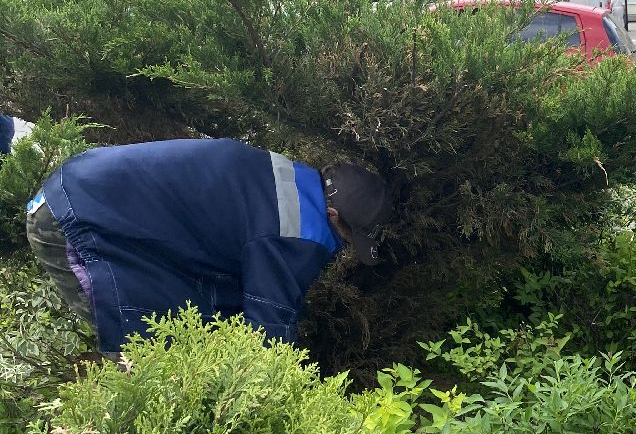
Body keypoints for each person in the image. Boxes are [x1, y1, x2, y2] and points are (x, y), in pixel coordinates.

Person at [25, 138, 392, 358]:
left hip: (79, 190)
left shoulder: (293, 180)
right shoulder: (302, 231)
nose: (344, 247)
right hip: (77, 221)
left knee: (178, 324)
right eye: (349, 236)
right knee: (140, 353)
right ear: (333, 214)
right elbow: (268, 331)